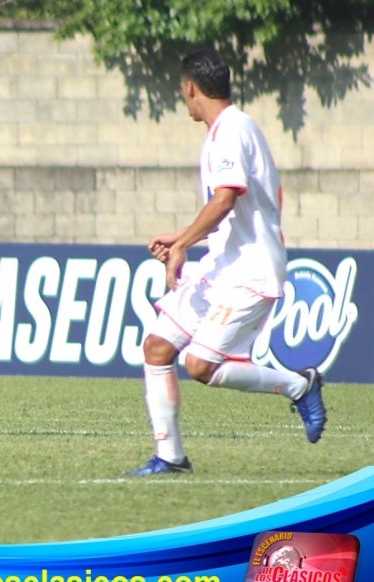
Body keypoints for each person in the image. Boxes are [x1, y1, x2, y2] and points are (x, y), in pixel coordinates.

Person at [126, 50, 327, 475]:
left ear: (192, 88)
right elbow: (229, 207)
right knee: (158, 347)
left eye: (183, 91)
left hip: (250, 271)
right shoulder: (227, 129)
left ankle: (299, 384)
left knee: (199, 365)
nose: (184, 98)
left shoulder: (231, 130)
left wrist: (181, 247)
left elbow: (225, 197)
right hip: (222, 266)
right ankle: (170, 458)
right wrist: (182, 236)